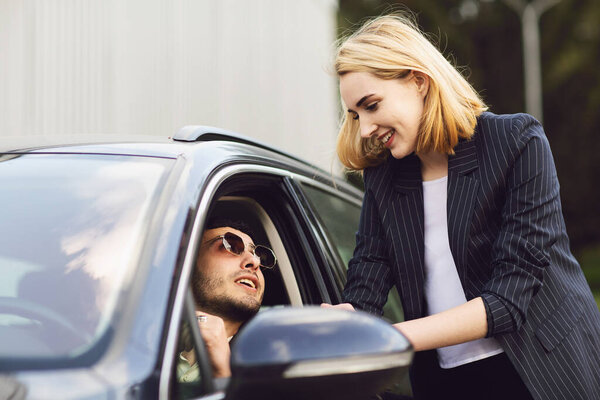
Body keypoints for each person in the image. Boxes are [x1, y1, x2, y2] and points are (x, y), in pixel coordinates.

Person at [325, 12, 600, 400]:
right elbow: (366, 285)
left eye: (371, 105)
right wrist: (346, 321)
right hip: (445, 382)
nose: (364, 127)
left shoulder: (517, 141)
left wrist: (387, 336)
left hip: (541, 371)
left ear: (418, 81)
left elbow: (508, 300)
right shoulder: (384, 179)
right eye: (355, 115)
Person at [177, 216, 276, 382]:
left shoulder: (274, 360)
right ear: (187, 264)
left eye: (257, 254)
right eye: (230, 245)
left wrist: (224, 375)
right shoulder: (141, 339)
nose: (254, 261)